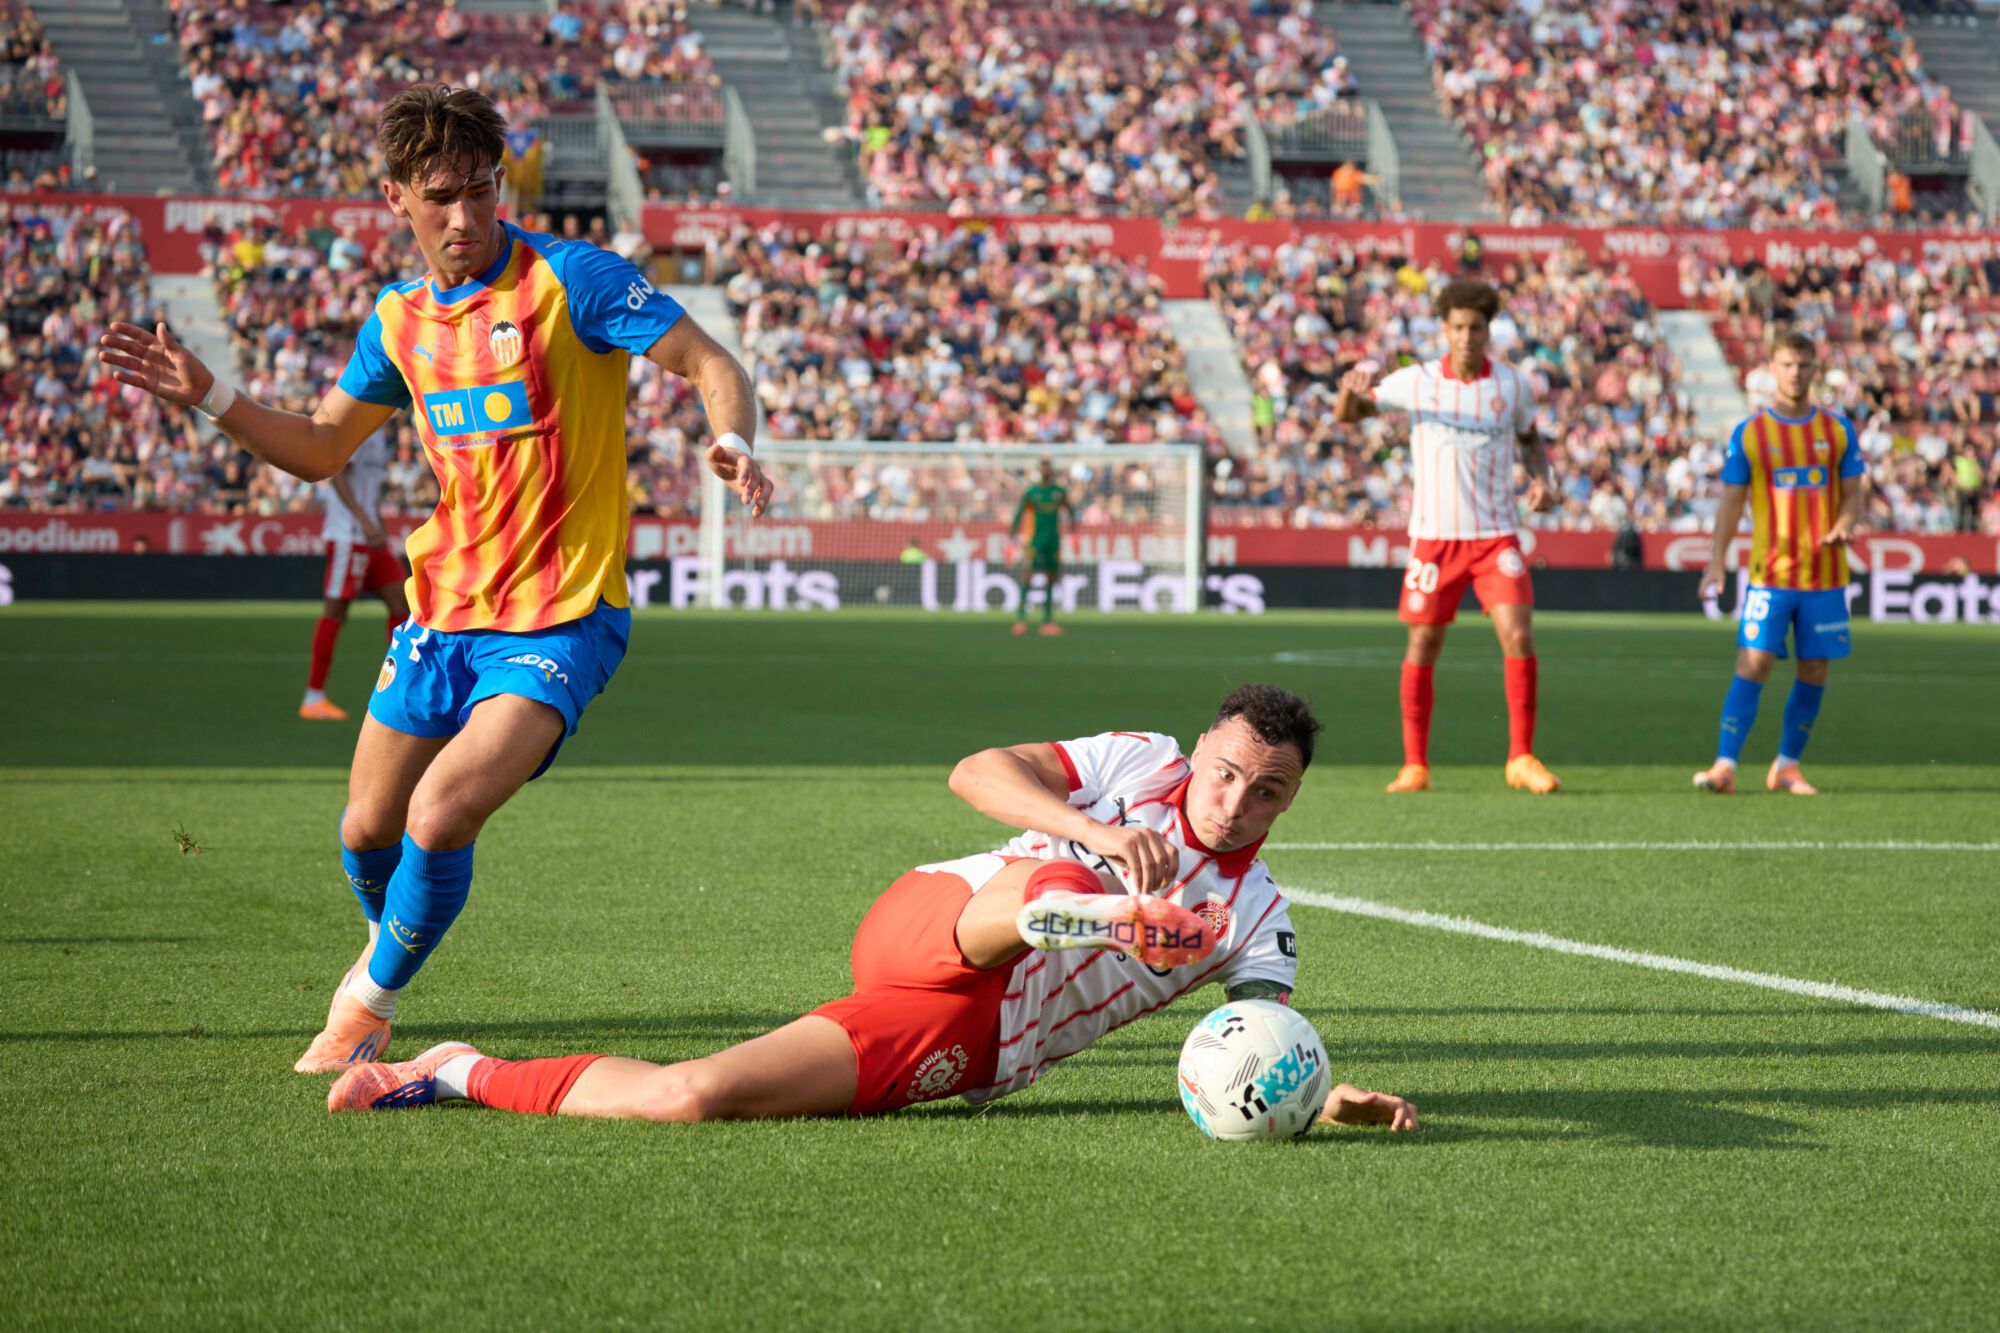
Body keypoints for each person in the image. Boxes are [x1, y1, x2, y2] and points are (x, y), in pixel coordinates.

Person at [99, 84, 773, 1074]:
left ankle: (361, 1007)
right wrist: (215, 397)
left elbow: (711, 361)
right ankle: (388, 957)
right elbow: (321, 448)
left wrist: (731, 437)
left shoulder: (571, 280)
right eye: (441, 196)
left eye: (481, 189)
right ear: (396, 199)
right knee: (367, 828)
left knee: (441, 809)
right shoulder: (399, 320)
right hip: (442, 611)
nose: (465, 215)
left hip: (563, 615)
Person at [324, 684, 1418, 1135]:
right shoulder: (1138, 762)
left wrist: (1315, 1095)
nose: (1233, 801)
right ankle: (1085, 913)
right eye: (1226, 772)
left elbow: (1255, 1034)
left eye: (1265, 791)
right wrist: (1089, 839)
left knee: (688, 1097)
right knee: (1073, 890)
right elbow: (975, 771)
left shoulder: (1256, 916)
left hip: (971, 1032)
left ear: (1288, 800)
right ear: (1203, 750)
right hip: (942, 914)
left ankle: (453, 1069)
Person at [1332, 278, 1561, 795]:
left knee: (1519, 635)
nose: (1466, 337)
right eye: (1458, 327)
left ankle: (1521, 757)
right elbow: (1348, 415)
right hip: (1435, 538)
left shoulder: (1512, 384)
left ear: (1488, 330)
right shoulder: (1417, 382)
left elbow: (1530, 440)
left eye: (1475, 327)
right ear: (1444, 329)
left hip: (1496, 535)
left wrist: (1543, 479)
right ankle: (1415, 765)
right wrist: (1349, 388)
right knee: (1423, 643)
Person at [1694, 333, 1862, 796]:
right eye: (1787, 364)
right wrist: (1717, 562)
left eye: (1804, 365)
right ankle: (1725, 765)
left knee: (1815, 670)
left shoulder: (1837, 430)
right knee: (1754, 662)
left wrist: (1845, 524)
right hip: (1770, 575)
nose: (1795, 373)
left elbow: (1853, 496)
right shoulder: (1751, 433)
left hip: (1825, 576)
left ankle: (1787, 766)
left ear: (1815, 369)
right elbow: (1731, 502)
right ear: (1772, 367)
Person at [300, 434, 409, 721]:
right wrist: (364, 520)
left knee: (402, 603)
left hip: (371, 535)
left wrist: (377, 524)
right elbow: (336, 475)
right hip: (348, 535)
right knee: (336, 610)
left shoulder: (380, 434)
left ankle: (399, 689)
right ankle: (313, 697)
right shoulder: (360, 426)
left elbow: (369, 490)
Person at [1010, 458, 1073, 637]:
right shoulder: (1032, 493)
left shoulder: (1058, 492)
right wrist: (1013, 534)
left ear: (1051, 471)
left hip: (1053, 541)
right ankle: (1021, 618)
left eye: (1048, 468)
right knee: (1027, 576)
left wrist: (1074, 531)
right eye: (1043, 468)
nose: (1046, 471)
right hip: (1035, 541)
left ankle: (1047, 620)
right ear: (1040, 471)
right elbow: (1019, 514)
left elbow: (1070, 510)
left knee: (1051, 578)